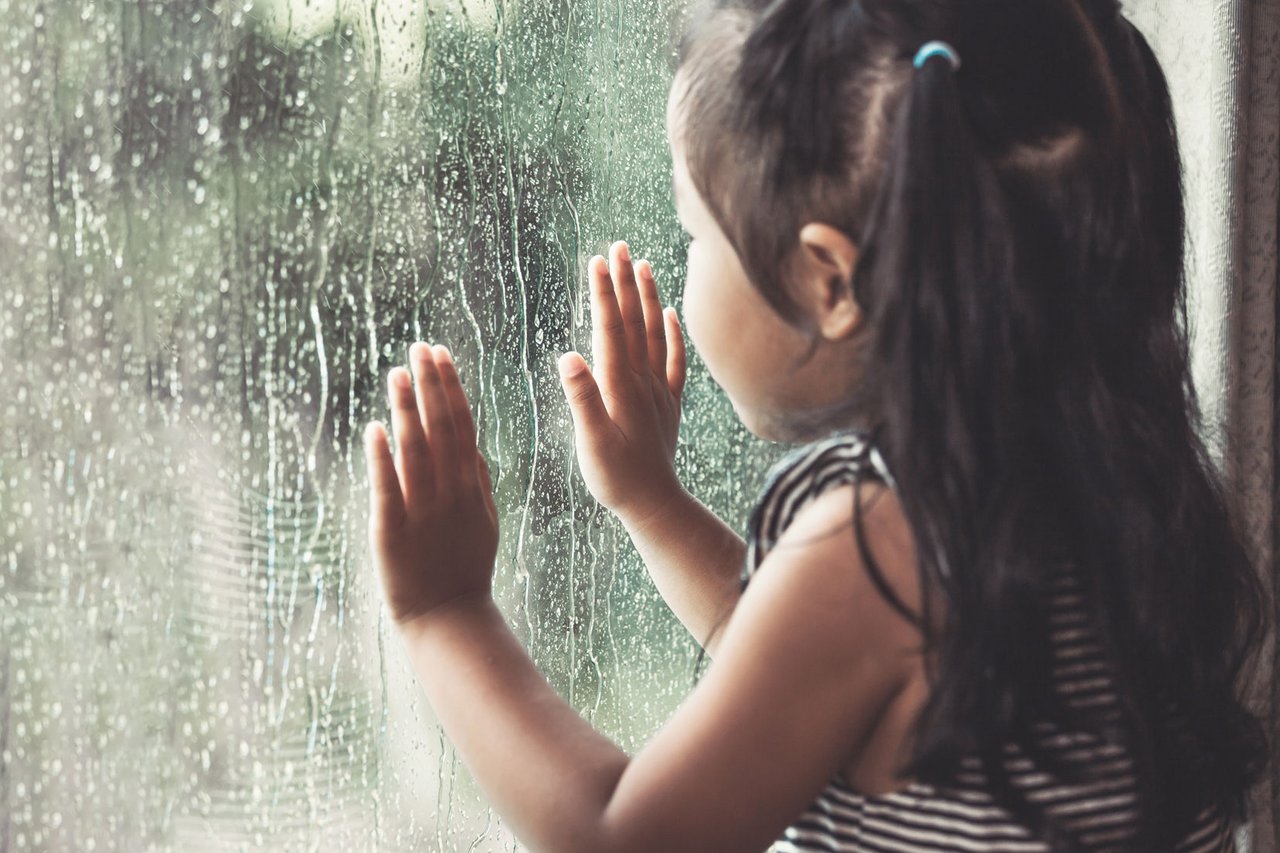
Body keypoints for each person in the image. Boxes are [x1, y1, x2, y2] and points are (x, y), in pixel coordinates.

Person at [361, 0, 1268, 849]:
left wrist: (445, 611)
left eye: (695, 236)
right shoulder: (1089, 483)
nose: (690, 265)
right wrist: (652, 501)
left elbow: (623, 834)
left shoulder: (887, 540)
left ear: (830, 281)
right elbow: (804, 686)